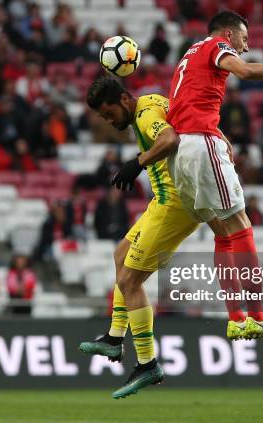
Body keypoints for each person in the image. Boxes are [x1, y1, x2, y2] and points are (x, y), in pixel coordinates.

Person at [160, 11, 263, 339]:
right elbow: (245, 72)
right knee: (242, 225)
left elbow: (190, 103)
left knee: (222, 231)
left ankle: (236, 319)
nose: (245, 47)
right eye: (244, 40)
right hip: (200, 144)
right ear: (230, 34)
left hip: (180, 152)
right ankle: (258, 315)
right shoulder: (218, 45)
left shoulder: (189, 54)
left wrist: (219, 133)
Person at [81, 77, 237, 399]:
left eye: (108, 113)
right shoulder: (155, 100)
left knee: (131, 280)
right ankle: (113, 338)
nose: (108, 121)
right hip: (165, 199)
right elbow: (186, 122)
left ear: (124, 99)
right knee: (120, 255)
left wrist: (137, 163)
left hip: (175, 204)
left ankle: (147, 363)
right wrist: (219, 137)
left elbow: (169, 140)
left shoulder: (143, 116)